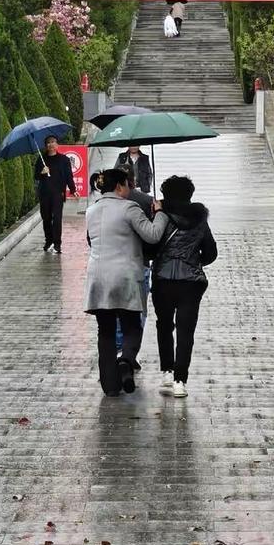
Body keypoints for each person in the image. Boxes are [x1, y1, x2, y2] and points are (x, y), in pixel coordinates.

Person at [85, 164, 168, 396]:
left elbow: (91, 241)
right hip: (125, 276)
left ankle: (110, 386)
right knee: (132, 324)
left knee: (106, 330)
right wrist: (159, 212)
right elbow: (152, 234)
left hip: (97, 277)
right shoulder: (129, 208)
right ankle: (126, 361)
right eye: (127, 185)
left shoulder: (91, 210)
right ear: (121, 186)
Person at [151, 174, 217, 398]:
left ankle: (167, 372)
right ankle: (181, 380)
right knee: (186, 331)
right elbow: (211, 252)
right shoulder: (200, 219)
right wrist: (195, 261)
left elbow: (150, 246)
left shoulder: (161, 217)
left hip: (163, 280)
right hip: (191, 282)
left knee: (164, 326)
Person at [33, 134, 76, 255]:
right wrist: (42, 172)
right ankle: (49, 240)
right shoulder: (41, 159)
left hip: (58, 193)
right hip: (44, 193)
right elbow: (36, 176)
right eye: (48, 143)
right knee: (46, 218)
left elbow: (69, 176)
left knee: (57, 219)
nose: (51, 144)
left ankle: (57, 244)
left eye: (53, 142)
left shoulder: (64, 160)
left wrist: (73, 189)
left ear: (57, 144)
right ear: (46, 146)